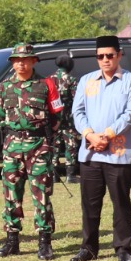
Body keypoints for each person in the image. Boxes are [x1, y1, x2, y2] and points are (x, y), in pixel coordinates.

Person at [71, 37, 131, 261]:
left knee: (120, 203)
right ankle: (89, 247)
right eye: (100, 56)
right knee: (90, 204)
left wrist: (107, 135)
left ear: (119, 55)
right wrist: (91, 135)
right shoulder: (86, 80)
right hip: (91, 152)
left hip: (119, 154)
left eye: (109, 55)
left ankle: (123, 247)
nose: (105, 60)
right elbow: (78, 112)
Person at [0, 43, 63, 259]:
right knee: (11, 193)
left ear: (34, 61)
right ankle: (12, 240)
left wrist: (44, 140)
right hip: (12, 145)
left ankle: (44, 241)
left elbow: (57, 116)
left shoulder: (46, 84)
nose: (21, 63)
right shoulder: (4, 87)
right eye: (17, 60)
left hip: (38, 145)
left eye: (25, 59)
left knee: (41, 194)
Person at [51, 53, 79, 181]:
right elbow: (78, 100)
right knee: (71, 146)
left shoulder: (49, 80)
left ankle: (54, 174)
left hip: (53, 120)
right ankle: (70, 174)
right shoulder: (72, 80)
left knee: (54, 146)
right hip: (68, 120)